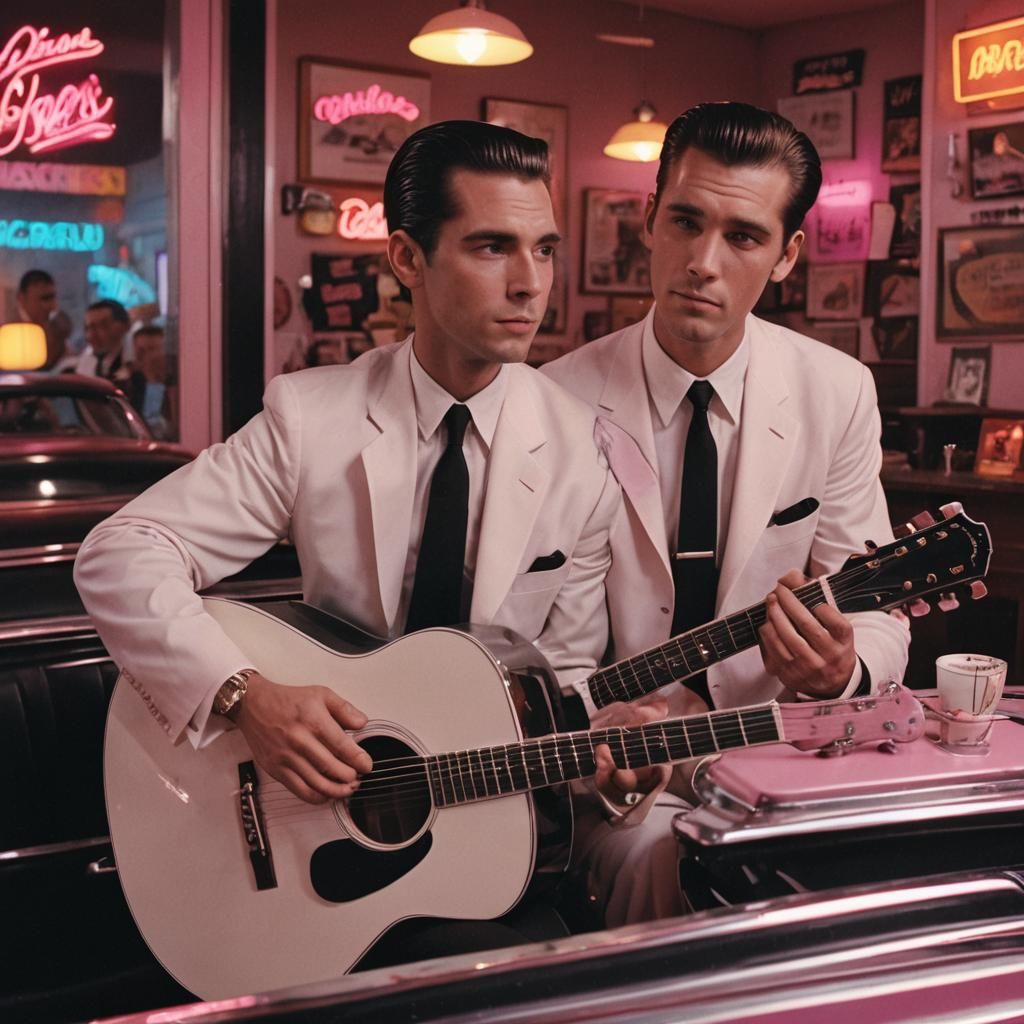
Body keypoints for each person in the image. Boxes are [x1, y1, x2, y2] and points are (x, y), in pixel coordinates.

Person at [74, 120, 620, 967]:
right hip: (301, 822)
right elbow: (121, 550)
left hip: (474, 832)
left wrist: (610, 764)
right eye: (491, 247)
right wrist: (245, 697)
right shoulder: (312, 417)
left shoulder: (581, 448)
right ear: (407, 259)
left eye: (543, 250)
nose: (530, 284)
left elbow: (569, 682)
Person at [544, 101, 910, 926]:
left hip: (776, 757)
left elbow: (879, 609)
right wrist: (599, 733)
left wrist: (842, 670)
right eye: (685, 221)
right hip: (614, 778)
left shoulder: (837, 391)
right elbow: (528, 642)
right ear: (648, 220)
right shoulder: (554, 402)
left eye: (743, 237)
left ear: (785, 257)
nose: (702, 262)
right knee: (671, 861)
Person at [15, 269, 76, 372]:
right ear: (22, 298)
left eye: (53, 298)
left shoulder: (57, 326)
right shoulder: (7, 326)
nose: (52, 306)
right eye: (45, 299)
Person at [127, 325, 178, 439]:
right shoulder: (132, 385)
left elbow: (173, 429)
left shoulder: (176, 387)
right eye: (139, 351)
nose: (143, 356)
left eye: (151, 350)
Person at [77, 299, 131, 384]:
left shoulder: (138, 361)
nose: (92, 335)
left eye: (102, 326)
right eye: (88, 328)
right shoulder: (85, 363)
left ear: (125, 326)